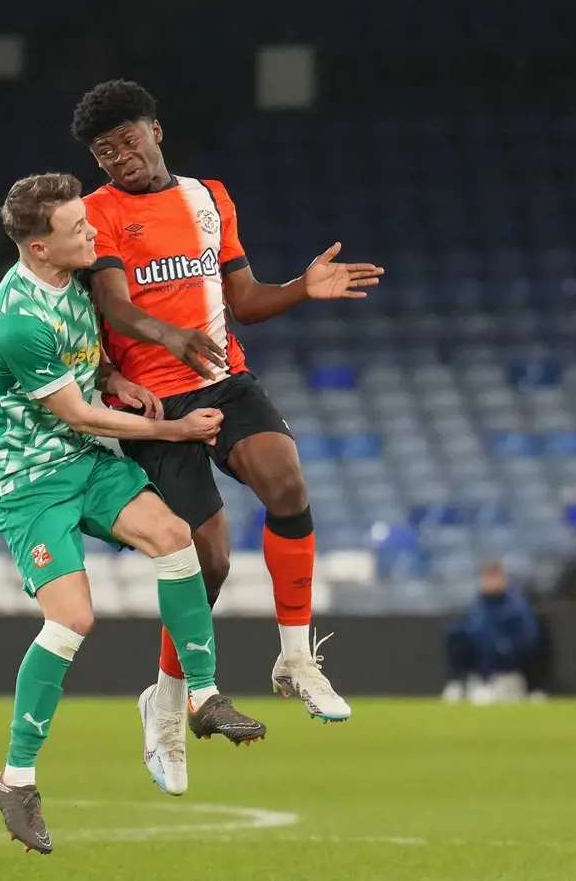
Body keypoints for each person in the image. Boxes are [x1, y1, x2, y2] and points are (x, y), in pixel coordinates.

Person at [71, 79, 385, 794]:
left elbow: (243, 302)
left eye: (126, 140)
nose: (118, 157)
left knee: (286, 484)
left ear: (155, 130)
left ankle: (295, 660)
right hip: (153, 404)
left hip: (221, 377)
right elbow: (113, 304)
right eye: (102, 150)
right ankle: (166, 702)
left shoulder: (209, 198)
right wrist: (166, 336)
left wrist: (301, 288)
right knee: (205, 557)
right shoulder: (96, 214)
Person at [0, 172, 267, 855]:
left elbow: (88, 370)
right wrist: (175, 429)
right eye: (76, 228)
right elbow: (73, 413)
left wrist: (114, 376)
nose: (90, 233)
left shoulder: (72, 282)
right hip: (27, 477)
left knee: (177, 540)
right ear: (40, 248)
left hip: (81, 459)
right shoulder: (17, 320)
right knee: (74, 618)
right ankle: (15, 779)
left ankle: (199, 697)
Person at [443, 561, 539, 705]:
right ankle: (459, 685)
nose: (491, 582)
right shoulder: (475, 605)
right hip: (477, 675)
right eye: (487, 577)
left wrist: (503, 649)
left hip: (506, 676)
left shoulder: (516, 607)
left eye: (495, 577)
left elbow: (527, 640)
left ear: (503, 579)